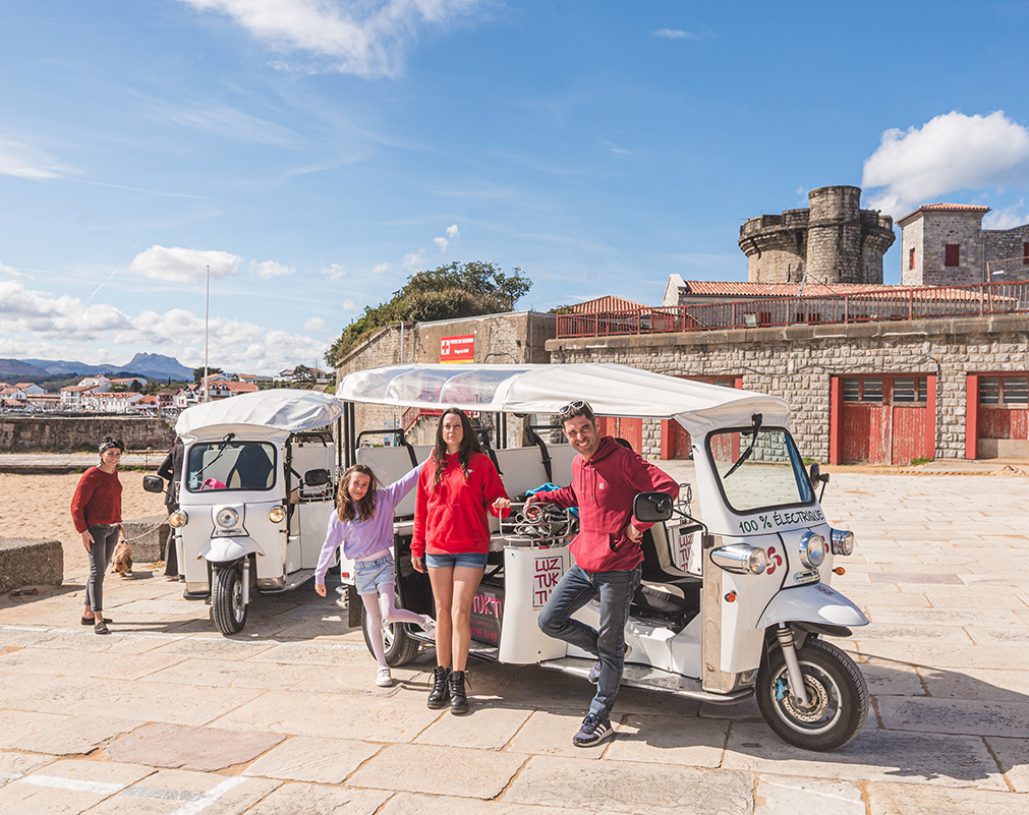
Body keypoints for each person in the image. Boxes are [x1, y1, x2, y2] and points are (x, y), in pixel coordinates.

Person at [526, 400, 679, 747]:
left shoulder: (622, 459)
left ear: (596, 426)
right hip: (584, 564)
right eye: (572, 432)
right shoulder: (580, 463)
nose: (580, 437)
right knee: (550, 620)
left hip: (619, 569)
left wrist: (638, 526)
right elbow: (576, 494)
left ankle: (599, 717)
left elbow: (667, 489)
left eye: (585, 428)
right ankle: (609, 654)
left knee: (609, 645)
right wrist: (545, 500)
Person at [412, 408, 510, 715]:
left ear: (464, 430)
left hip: (471, 548)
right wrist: (417, 546)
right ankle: (440, 677)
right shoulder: (430, 466)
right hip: (437, 548)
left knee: (460, 611)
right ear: (440, 432)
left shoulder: (481, 464)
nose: (451, 430)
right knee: (442, 612)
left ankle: (458, 678)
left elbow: (497, 501)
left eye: (456, 425)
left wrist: (501, 506)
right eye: (446, 426)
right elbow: (421, 511)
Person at [314, 463, 435, 688]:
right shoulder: (339, 516)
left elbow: (408, 480)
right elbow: (329, 546)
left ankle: (424, 621)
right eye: (356, 483)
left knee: (389, 612)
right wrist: (319, 575)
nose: (360, 488)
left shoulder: (382, 499)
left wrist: (430, 459)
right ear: (347, 484)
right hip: (362, 569)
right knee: (374, 618)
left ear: (370, 487)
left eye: (365, 484)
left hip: (383, 564)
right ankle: (382, 667)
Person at [70, 436, 126, 635]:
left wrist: (118, 523)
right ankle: (98, 618)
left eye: (117, 454)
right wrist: (83, 531)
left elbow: (115, 501)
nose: (114, 457)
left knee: (99, 572)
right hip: (95, 530)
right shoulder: (91, 475)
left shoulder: (114, 475)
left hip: (111, 528)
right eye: (110, 453)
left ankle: (87, 613)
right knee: (96, 572)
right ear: (101, 454)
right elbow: (76, 506)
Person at [156, 436, 184, 577]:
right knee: (177, 532)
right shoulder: (190, 448)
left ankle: (171, 569)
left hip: (172, 494)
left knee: (174, 532)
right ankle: (175, 569)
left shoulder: (175, 449)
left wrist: (173, 479)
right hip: (182, 494)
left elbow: (161, 471)